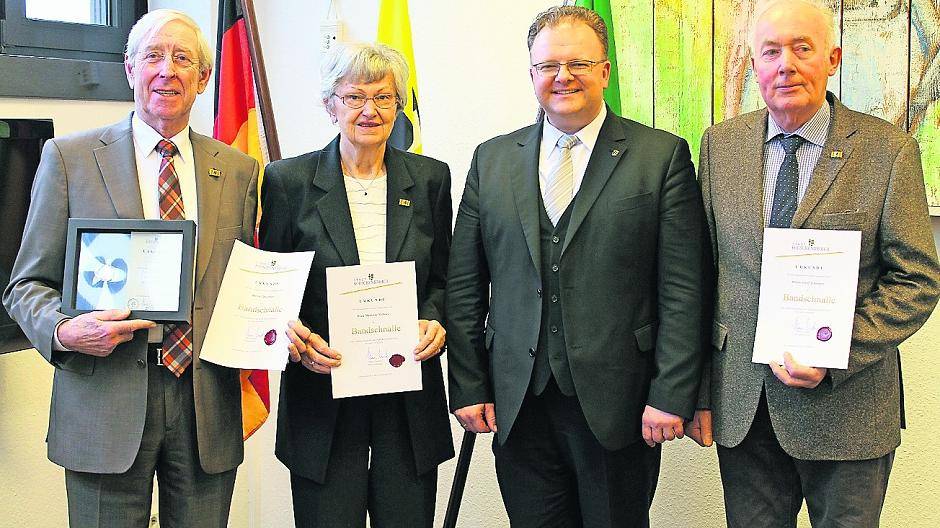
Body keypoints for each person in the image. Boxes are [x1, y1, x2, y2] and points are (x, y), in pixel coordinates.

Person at [445, 6, 706, 526]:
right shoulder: (491, 160)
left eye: (578, 63)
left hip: (620, 406)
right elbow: (465, 286)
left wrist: (671, 393)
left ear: (604, 71)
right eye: (548, 65)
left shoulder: (660, 157)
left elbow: (684, 290)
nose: (563, 76)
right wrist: (469, 384)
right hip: (519, 404)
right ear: (532, 74)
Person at [2, 9, 258, 527]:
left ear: (203, 78)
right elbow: (25, 285)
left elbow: (244, 282)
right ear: (129, 69)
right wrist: (66, 331)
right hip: (104, 401)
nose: (167, 70)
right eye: (153, 56)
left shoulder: (237, 169)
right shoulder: (69, 158)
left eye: (182, 58)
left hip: (204, 405)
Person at [690, 1, 940, 526]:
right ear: (754, 65)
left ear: (833, 59)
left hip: (849, 411)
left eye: (802, 48)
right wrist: (697, 392)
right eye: (770, 52)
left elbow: (917, 278)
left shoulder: (887, 151)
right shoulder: (719, 147)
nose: (786, 64)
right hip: (746, 409)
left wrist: (836, 349)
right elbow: (702, 276)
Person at [259, 42, 454, 527]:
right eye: (355, 97)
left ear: (398, 105)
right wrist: (297, 338)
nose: (370, 110)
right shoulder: (288, 181)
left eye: (384, 97)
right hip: (322, 397)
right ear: (331, 105)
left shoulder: (430, 179)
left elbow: (444, 278)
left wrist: (435, 320)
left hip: (407, 396)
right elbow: (272, 290)